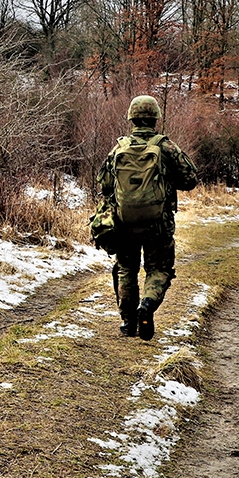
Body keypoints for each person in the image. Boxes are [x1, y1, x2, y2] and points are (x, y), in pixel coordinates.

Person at [97, 95, 197, 341]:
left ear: (131, 117)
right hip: (158, 224)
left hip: (124, 222)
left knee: (125, 269)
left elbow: (105, 185)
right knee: (159, 268)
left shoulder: (119, 147)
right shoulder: (165, 146)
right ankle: (148, 304)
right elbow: (190, 180)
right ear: (155, 118)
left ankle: (129, 323)